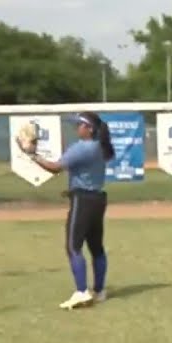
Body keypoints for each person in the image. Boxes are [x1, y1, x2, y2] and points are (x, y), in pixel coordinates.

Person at [20, 111, 115, 309]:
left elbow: (55, 168)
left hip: (84, 201)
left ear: (89, 129)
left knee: (73, 246)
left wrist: (31, 154)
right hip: (97, 199)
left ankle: (81, 292)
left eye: (79, 125)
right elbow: (86, 174)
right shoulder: (99, 146)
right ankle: (99, 290)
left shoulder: (82, 148)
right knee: (96, 247)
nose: (76, 128)